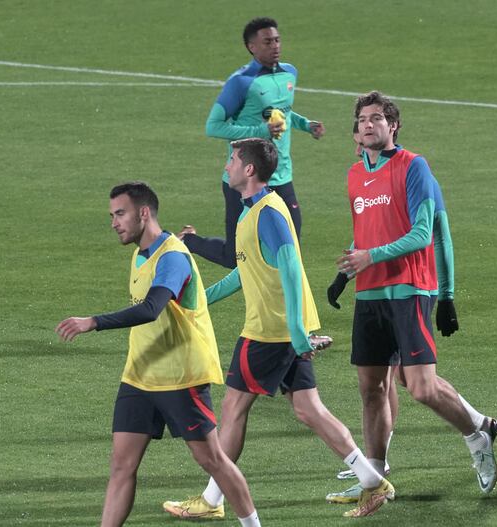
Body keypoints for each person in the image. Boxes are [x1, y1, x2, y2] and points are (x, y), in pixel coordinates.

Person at [162, 138, 394, 520]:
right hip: (281, 329)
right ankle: (373, 481)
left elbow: (289, 266)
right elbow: (245, 272)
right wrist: (198, 302)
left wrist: (298, 331)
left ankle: (212, 500)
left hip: (269, 332)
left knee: (234, 408)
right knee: (309, 410)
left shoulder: (269, 212)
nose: (226, 166)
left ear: (249, 169)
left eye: (232, 160)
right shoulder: (250, 212)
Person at [55, 182, 261, 527]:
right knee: (121, 466)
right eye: (112, 215)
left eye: (120, 214)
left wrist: (93, 322)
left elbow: (151, 309)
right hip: (139, 375)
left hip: (181, 377)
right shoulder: (140, 254)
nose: (114, 223)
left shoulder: (173, 256)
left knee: (212, 460)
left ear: (144, 213)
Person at [334, 91, 497, 497]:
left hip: (410, 289)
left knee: (420, 387)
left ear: (393, 125)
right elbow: (367, 231)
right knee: (371, 388)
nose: (368, 124)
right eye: (362, 119)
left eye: (377, 118)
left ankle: (477, 435)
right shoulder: (355, 175)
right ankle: (373, 476)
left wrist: (447, 294)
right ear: (356, 131)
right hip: (371, 294)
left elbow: (425, 234)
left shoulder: (414, 167)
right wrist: (346, 274)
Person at [181, 16, 325, 268]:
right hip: (244, 180)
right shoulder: (241, 82)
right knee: (234, 257)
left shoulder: (290, 73)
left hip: (281, 177)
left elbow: (284, 112)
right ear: (252, 47)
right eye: (267, 42)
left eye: (277, 40)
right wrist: (261, 130)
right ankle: (191, 242)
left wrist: (306, 125)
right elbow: (213, 126)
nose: (275, 46)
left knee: (291, 254)